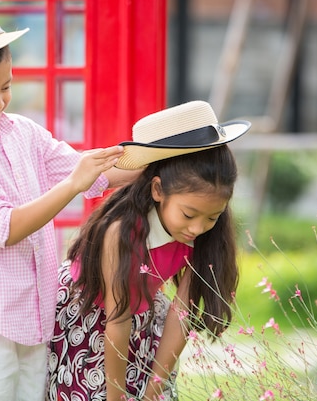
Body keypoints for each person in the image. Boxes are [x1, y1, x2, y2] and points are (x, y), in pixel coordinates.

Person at [0, 2, 136, 401]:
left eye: (6, 87)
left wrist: (161, 160)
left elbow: (92, 172)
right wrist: (71, 184)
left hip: (33, 319)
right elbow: (6, 227)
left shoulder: (23, 132)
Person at [47, 100, 251, 401]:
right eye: (189, 214)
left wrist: (153, 388)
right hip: (89, 320)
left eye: (212, 216)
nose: (197, 228)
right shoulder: (121, 233)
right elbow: (116, 322)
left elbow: (182, 313)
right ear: (157, 190)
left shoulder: (203, 230)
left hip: (140, 317)